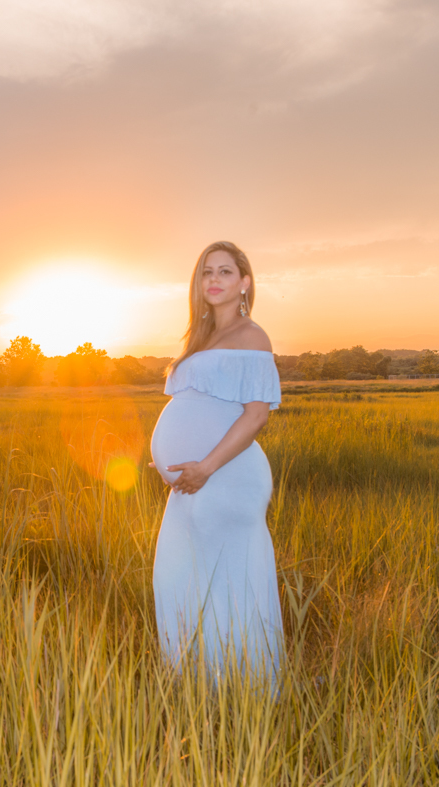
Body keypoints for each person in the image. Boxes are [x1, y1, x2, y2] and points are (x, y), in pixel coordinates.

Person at [148, 241, 285, 684]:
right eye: (207, 272)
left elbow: (256, 414)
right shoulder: (199, 338)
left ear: (245, 282)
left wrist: (205, 467)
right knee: (179, 577)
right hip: (192, 480)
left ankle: (247, 686)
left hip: (226, 476)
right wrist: (168, 461)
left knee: (230, 580)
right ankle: (198, 682)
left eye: (225, 272)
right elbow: (195, 406)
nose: (213, 280)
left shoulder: (252, 336)